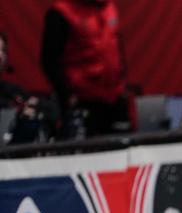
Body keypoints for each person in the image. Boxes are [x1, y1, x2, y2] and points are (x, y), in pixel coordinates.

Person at [40, 0, 132, 140]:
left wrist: (123, 84)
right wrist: (67, 96)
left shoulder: (109, 7)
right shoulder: (61, 13)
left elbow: (117, 48)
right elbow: (49, 61)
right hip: (83, 101)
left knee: (123, 147)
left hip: (115, 98)